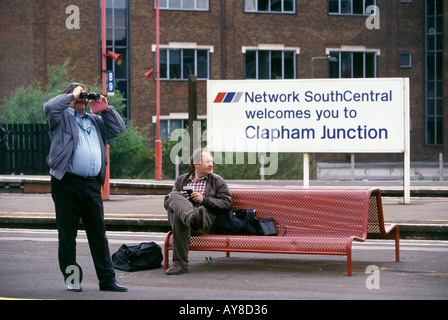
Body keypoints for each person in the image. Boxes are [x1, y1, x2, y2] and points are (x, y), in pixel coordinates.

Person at [43, 82, 128, 292]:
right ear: (70, 97)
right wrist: (73, 95)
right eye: (80, 94)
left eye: (84, 94)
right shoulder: (60, 118)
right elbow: (49, 107)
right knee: (67, 234)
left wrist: (105, 108)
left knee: (98, 234)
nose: (83, 98)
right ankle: (72, 279)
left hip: (91, 184)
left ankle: (107, 280)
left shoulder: (95, 120)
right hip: (67, 183)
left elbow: (118, 128)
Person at [164, 148, 232, 275]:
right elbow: (168, 203)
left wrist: (204, 199)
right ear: (196, 164)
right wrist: (182, 199)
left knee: (180, 216)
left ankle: (180, 264)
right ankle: (191, 219)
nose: (211, 164)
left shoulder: (217, 181)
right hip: (187, 221)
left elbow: (227, 203)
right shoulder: (181, 180)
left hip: (204, 222)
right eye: (207, 161)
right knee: (173, 196)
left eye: (211, 161)